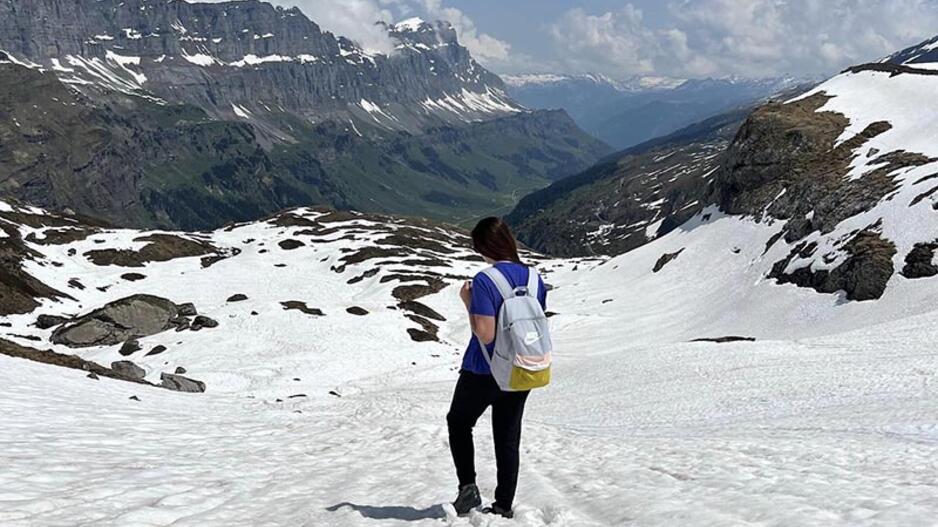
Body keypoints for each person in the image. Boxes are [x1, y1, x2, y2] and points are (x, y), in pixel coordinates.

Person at [447, 217, 547, 519]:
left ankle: (468, 489)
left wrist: (468, 301)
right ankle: (503, 504)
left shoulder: (485, 280)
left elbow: (485, 333)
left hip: (483, 369)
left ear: (484, 247)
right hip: (524, 365)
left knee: (459, 421)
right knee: (507, 436)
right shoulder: (534, 278)